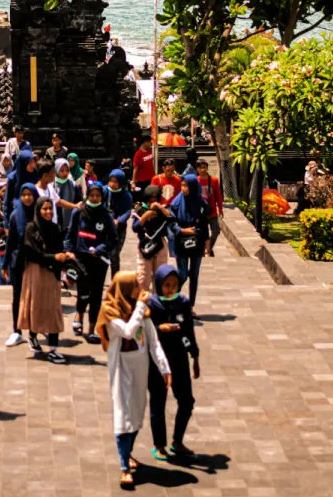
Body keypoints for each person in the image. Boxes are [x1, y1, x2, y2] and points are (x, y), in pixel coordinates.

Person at [95, 272, 171, 490]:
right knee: (123, 414)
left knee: (137, 412)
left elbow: (153, 339)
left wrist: (164, 368)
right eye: (135, 286)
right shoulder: (110, 312)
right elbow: (128, 332)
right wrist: (139, 306)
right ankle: (124, 468)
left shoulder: (142, 310)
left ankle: (127, 454)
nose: (140, 289)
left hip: (140, 370)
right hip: (121, 370)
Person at [147, 264, 200, 461]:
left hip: (179, 359)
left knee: (187, 401)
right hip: (158, 363)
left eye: (174, 285)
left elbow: (188, 331)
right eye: (167, 285)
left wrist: (194, 356)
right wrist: (160, 329)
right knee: (158, 403)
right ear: (159, 284)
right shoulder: (151, 305)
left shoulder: (183, 303)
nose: (170, 289)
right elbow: (143, 333)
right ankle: (159, 444)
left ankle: (177, 441)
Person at [18, 196, 73, 363]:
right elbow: (33, 254)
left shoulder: (55, 228)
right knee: (37, 306)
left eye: (50, 208)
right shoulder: (31, 228)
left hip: (51, 274)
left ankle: (53, 349)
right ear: (38, 210)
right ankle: (33, 336)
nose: (48, 212)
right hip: (36, 273)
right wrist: (55, 257)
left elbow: (59, 249)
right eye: (45, 209)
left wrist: (64, 261)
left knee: (53, 309)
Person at [66, 183, 117, 342]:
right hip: (81, 259)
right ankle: (79, 314)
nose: (95, 198)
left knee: (96, 295)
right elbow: (70, 235)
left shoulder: (105, 215)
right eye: (92, 195)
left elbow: (113, 239)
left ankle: (92, 328)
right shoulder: (78, 212)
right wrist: (68, 253)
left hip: (99, 261)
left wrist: (101, 249)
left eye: (98, 196)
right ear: (87, 195)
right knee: (83, 291)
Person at [3, 183, 37, 347]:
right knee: (17, 296)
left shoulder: (41, 213)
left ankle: (33, 334)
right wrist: (4, 264)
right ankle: (17, 331)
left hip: (35, 262)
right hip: (18, 262)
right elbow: (11, 242)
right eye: (24, 194)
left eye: (30, 194)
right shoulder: (16, 215)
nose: (27, 197)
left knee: (33, 298)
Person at [170, 175, 209, 311]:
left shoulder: (201, 204)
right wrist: (182, 230)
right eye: (182, 185)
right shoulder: (177, 202)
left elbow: (204, 224)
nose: (184, 189)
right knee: (182, 274)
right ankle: (172, 298)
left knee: (194, 275)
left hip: (197, 244)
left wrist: (207, 245)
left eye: (187, 186)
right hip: (181, 243)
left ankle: (190, 306)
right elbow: (171, 222)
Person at [133, 185, 173, 291]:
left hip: (160, 244)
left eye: (155, 200)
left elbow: (172, 218)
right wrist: (145, 216)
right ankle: (143, 299)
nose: (152, 203)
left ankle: (157, 301)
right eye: (150, 201)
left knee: (160, 275)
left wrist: (160, 208)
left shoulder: (162, 209)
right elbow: (135, 227)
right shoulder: (140, 209)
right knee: (143, 276)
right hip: (145, 245)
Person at [103, 169, 134, 276]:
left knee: (114, 254)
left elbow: (127, 211)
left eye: (116, 182)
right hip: (104, 228)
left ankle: (115, 279)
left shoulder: (126, 195)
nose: (112, 184)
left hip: (118, 229)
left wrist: (118, 221)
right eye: (111, 181)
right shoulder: (104, 191)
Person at [196, 160, 223, 256]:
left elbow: (218, 196)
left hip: (212, 211)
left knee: (216, 231)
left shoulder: (214, 180)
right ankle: (203, 249)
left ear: (207, 168)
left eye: (204, 167)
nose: (202, 170)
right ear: (197, 169)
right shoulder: (195, 181)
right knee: (201, 232)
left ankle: (208, 248)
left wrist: (220, 209)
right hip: (200, 212)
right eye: (200, 168)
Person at [3, 150, 38, 222]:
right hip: (18, 214)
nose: (33, 165)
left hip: (34, 214)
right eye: (30, 162)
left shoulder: (36, 175)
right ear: (23, 163)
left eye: (33, 162)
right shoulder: (13, 178)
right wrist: (6, 222)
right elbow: (7, 200)